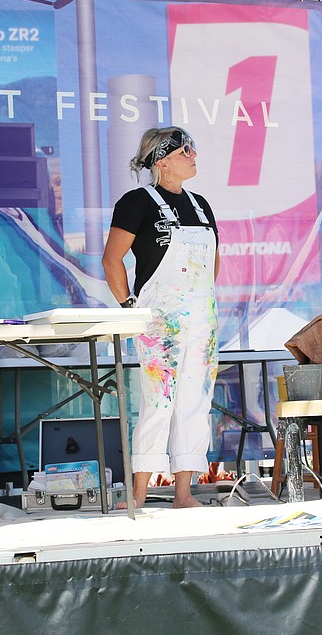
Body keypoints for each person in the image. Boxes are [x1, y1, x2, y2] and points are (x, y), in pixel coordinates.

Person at [102, 126, 220, 509]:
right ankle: (138, 494)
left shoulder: (202, 204)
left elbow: (212, 265)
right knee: (159, 400)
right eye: (186, 149)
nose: (194, 154)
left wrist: (198, 304)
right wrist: (128, 307)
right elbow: (112, 259)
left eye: (193, 147)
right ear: (162, 161)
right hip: (160, 320)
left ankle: (182, 493)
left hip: (202, 317)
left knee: (195, 402)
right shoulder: (136, 202)